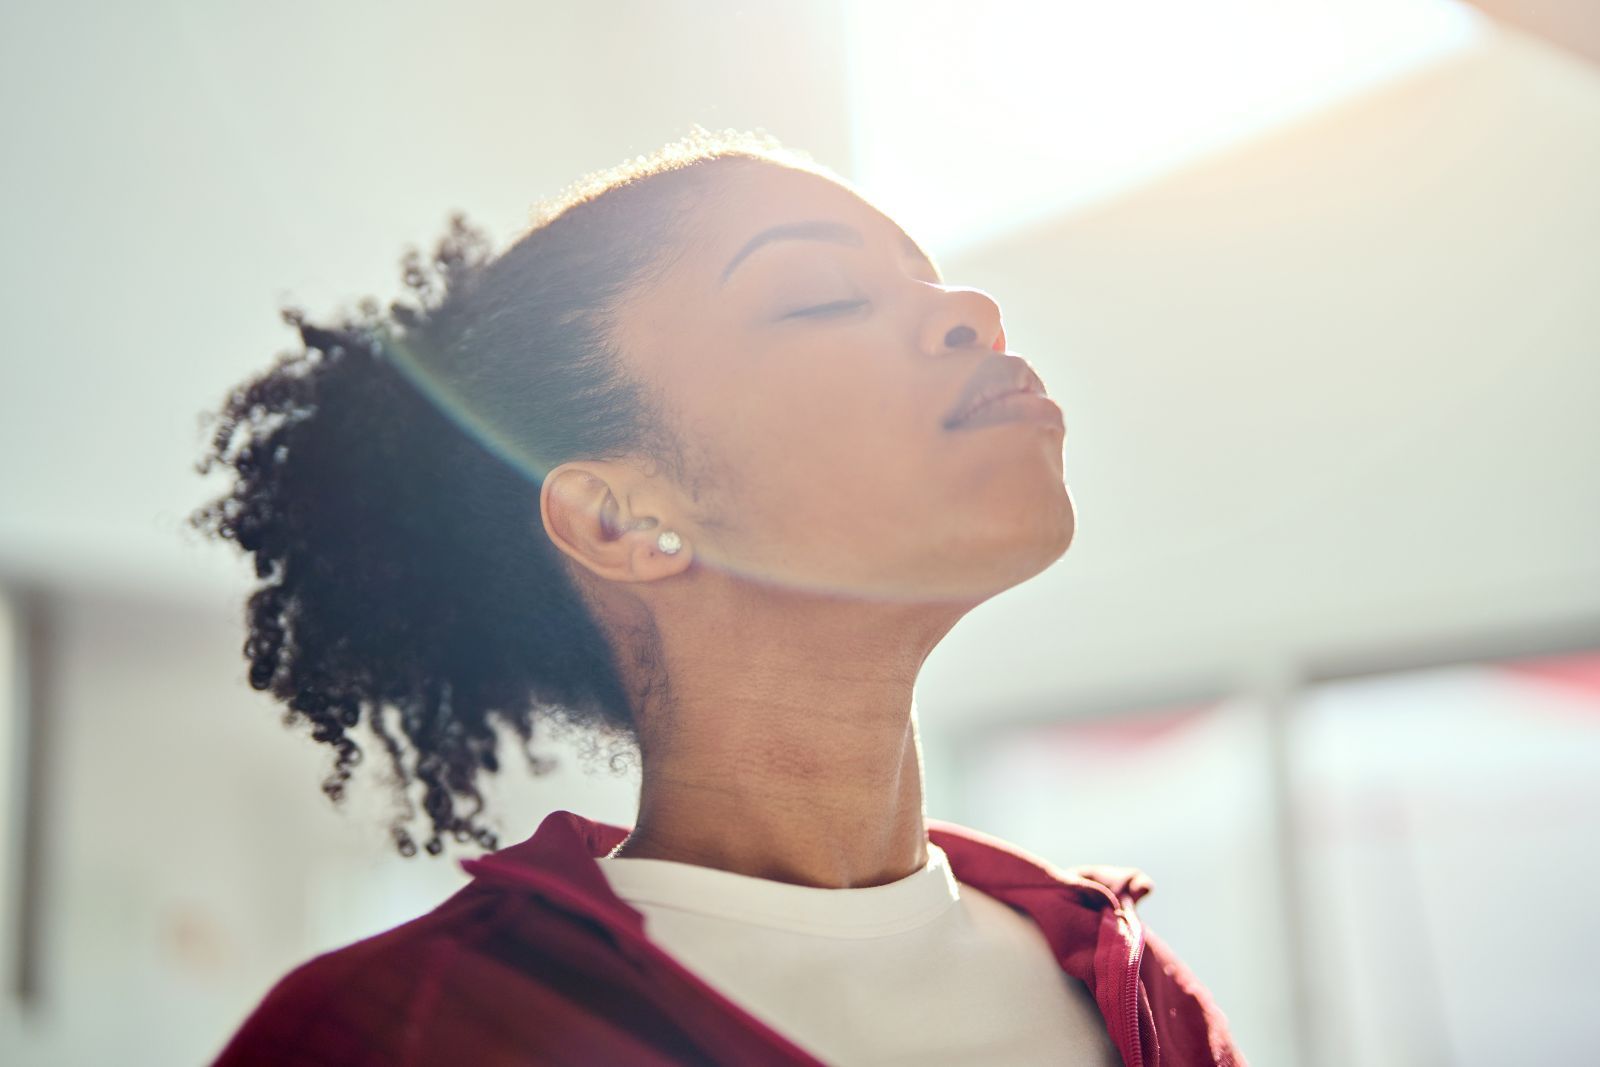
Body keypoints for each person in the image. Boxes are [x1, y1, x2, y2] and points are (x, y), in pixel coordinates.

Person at [194, 128, 1245, 1066]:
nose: (969, 310)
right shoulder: (399, 1033)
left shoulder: (1140, 998)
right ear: (619, 518)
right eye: (825, 296)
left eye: (931, 277)